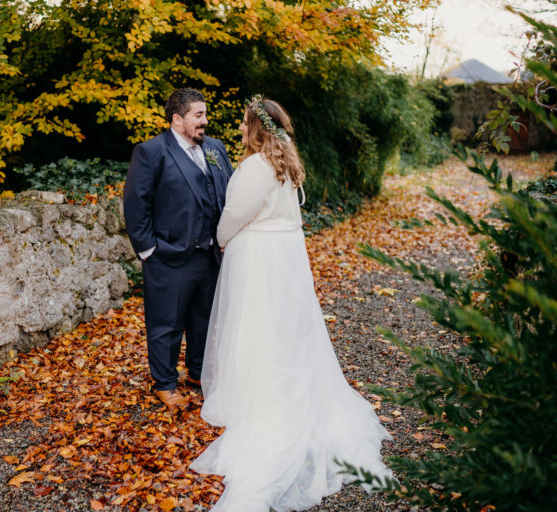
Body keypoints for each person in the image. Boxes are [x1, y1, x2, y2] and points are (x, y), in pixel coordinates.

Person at [190, 95, 393, 511]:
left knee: (257, 326)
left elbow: (234, 216)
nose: (241, 131)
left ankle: (261, 396)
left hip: (260, 260)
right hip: (286, 258)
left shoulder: (254, 168)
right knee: (285, 329)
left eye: (246, 124)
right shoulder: (288, 166)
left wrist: (221, 241)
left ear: (257, 128)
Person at [123, 88, 234, 410]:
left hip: (210, 254)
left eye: (205, 114)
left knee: (203, 319)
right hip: (168, 256)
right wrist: (149, 251)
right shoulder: (152, 152)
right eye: (198, 115)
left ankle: (198, 372)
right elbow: (136, 205)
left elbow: (227, 193)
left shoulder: (215, 148)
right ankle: (165, 383)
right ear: (177, 119)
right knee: (166, 323)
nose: (205, 121)